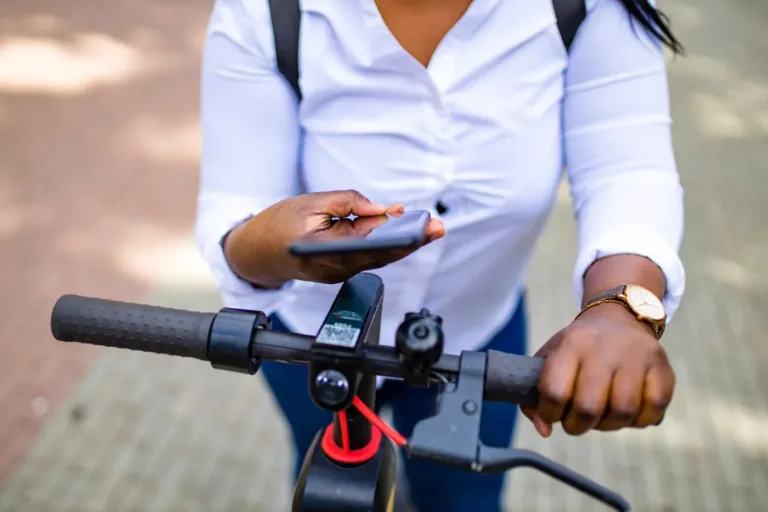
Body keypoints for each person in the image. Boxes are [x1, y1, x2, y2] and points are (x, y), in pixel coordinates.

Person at [195, 0, 685, 510]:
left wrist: (620, 307)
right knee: (327, 488)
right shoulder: (265, 12)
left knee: (465, 500)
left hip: (479, 340)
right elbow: (234, 210)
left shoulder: (589, 10)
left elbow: (625, 173)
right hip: (310, 344)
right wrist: (273, 246)